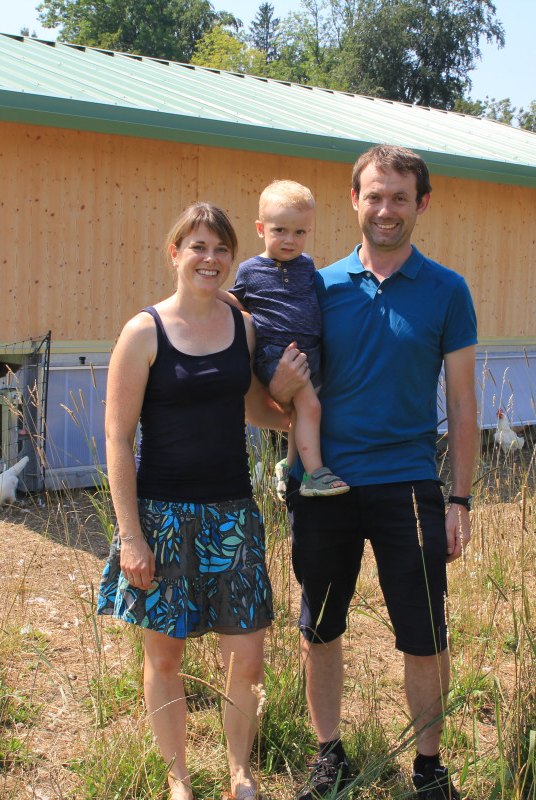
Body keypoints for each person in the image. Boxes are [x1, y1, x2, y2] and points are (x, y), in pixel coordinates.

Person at [276, 145, 478, 800]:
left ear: (421, 203)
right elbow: (283, 394)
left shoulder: (448, 291)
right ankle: (327, 753)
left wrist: (461, 498)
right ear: (354, 201)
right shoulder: (318, 286)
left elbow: (465, 404)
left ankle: (428, 765)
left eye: (398, 197)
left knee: (423, 634)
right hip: (325, 486)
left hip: (409, 485)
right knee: (321, 625)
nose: (385, 208)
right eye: (374, 195)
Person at [97, 202, 303, 800]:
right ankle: (178, 777)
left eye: (221, 249)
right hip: (163, 518)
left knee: (249, 657)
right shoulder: (144, 332)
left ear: (233, 258)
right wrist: (131, 535)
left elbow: (247, 406)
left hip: (233, 514)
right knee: (165, 660)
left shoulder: (241, 325)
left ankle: (240, 772)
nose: (210, 259)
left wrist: (298, 415)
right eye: (198, 247)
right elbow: (117, 436)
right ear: (175, 254)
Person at [226, 179, 348, 499]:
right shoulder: (250, 269)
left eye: (300, 232)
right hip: (277, 353)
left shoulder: (306, 265)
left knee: (300, 413)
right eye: (280, 230)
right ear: (260, 228)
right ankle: (315, 474)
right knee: (309, 406)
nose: (290, 240)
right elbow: (237, 302)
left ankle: (289, 467)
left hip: (311, 351)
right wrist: (207, 298)